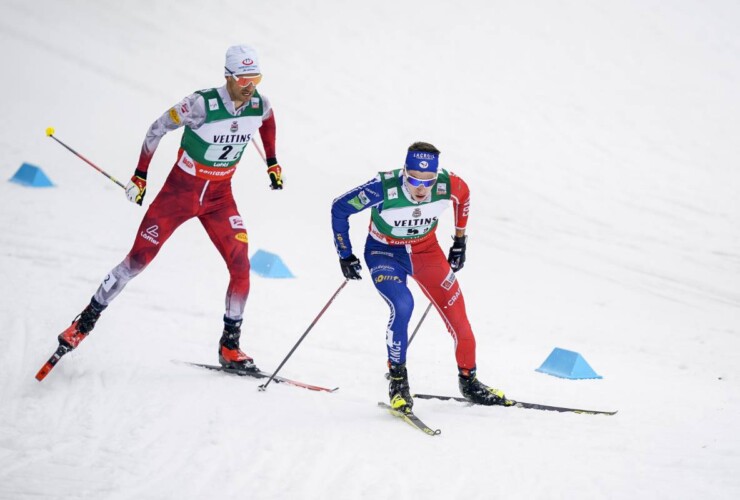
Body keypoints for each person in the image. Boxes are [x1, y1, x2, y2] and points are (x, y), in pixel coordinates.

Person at [53, 44, 283, 372]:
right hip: (180, 193)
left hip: (220, 197)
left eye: (256, 78)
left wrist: (272, 163)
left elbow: (268, 122)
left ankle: (229, 347)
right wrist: (140, 175)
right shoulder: (201, 104)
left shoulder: (259, 103)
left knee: (241, 264)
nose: (250, 86)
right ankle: (83, 323)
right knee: (137, 261)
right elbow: (156, 128)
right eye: (244, 79)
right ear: (228, 77)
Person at [330, 141, 512, 412]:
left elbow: (463, 198)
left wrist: (460, 241)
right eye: (414, 179)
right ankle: (398, 382)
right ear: (405, 172)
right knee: (403, 305)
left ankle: (469, 381)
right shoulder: (384, 188)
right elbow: (339, 208)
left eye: (428, 181)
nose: (421, 188)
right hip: (384, 253)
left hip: (426, 252)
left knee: (460, 319)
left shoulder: (448, 185)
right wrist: (345, 254)